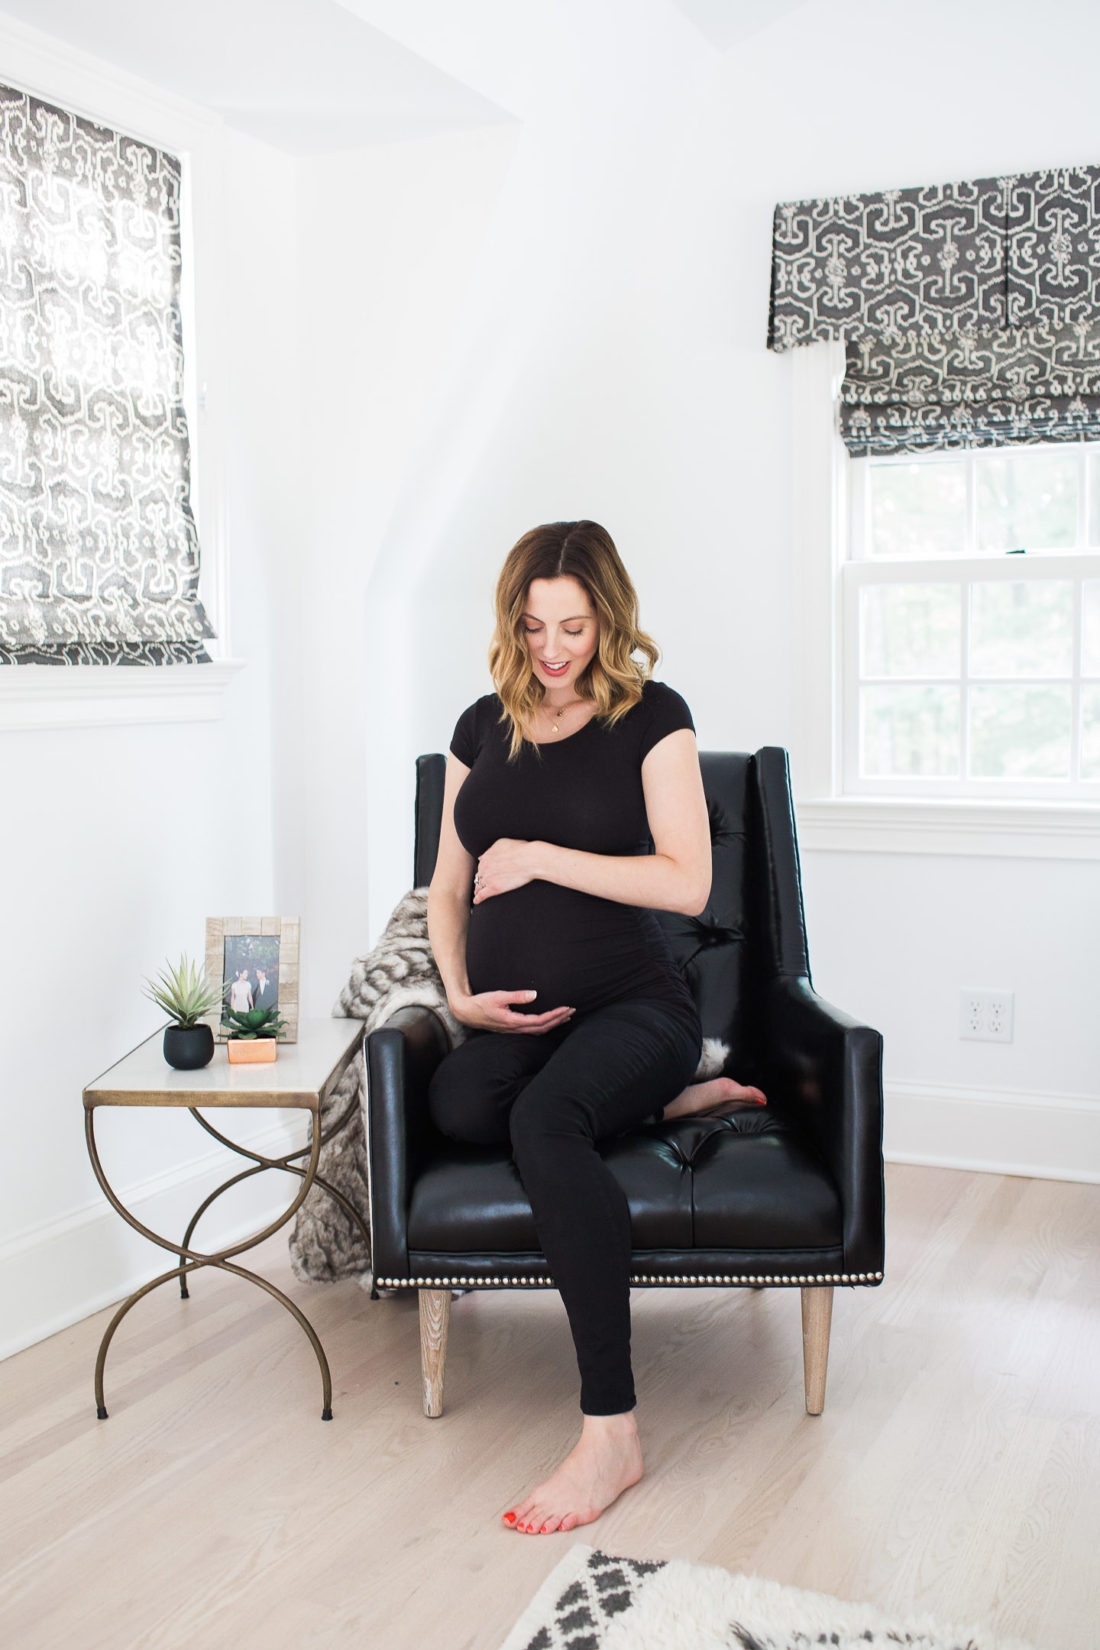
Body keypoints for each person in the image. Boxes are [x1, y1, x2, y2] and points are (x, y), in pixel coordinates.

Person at [426, 520, 765, 1539]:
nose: (552, 648)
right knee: (457, 1099)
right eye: (532, 626)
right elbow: (445, 888)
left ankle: (609, 1429)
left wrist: (537, 854)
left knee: (545, 1126)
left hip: (637, 1006)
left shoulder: (651, 716)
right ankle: (662, 1102)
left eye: (572, 625)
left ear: (607, 618)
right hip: (524, 1025)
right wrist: (455, 996)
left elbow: (685, 878)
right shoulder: (482, 726)